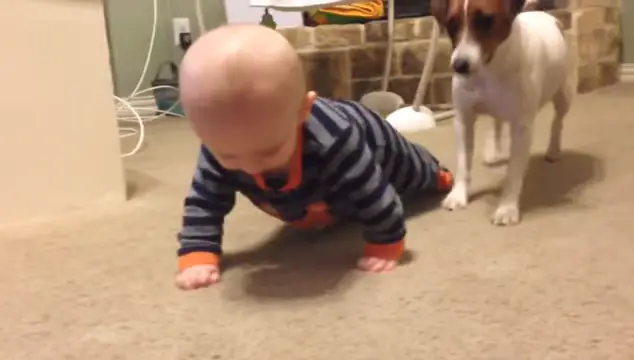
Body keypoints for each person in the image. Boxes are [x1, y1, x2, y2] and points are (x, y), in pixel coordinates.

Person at [175, 23, 453, 290]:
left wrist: (386, 243)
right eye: (230, 157)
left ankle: (437, 174)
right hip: (321, 187)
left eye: (268, 151)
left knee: (413, 173)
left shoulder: (335, 140)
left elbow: (375, 193)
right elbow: (205, 202)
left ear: (303, 111)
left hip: (375, 141)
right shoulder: (220, 144)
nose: (249, 166)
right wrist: (198, 251)